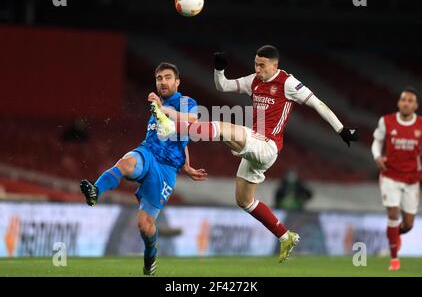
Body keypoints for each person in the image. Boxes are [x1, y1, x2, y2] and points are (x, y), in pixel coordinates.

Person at [151, 45, 359, 263]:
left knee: (222, 127)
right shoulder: (255, 80)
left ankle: (173, 124)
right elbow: (222, 86)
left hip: (267, 146)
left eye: (262, 65)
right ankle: (285, 236)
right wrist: (219, 69)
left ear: (275, 65)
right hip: (254, 146)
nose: (258, 69)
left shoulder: (288, 83)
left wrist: (341, 129)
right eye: (255, 64)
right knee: (244, 200)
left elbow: (318, 104)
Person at [79, 62, 207, 276]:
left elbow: (192, 121)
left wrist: (185, 165)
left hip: (165, 169)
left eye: (167, 77)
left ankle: (151, 253)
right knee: (125, 163)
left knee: (144, 225)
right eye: (159, 78)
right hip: (147, 153)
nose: (163, 82)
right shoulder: (156, 105)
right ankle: (95, 192)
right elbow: (176, 137)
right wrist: (187, 163)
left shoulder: (185, 102)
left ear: (177, 82)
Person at [371, 87, 422, 271]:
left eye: (410, 100)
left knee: (408, 225)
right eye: (403, 100)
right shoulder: (387, 121)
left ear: (415, 105)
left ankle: (395, 236)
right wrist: (377, 157)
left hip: (412, 179)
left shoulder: (420, 125)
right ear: (399, 102)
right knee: (393, 215)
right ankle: (394, 259)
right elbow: (377, 141)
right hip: (390, 176)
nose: (406, 103)